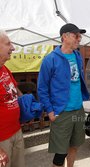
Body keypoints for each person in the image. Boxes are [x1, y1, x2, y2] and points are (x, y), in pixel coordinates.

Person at [37, 23, 90, 167]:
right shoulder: (50, 59)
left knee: (75, 146)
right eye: (76, 36)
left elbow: (77, 80)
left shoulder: (77, 56)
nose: (79, 39)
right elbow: (42, 88)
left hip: (78, 109)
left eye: (80, 36)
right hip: (61, 112)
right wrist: (50, 111)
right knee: (60, 154)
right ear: (64, 37)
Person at [0, 30, 25, 167]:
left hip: (16, 130)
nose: (13, 48)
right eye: (8, 44)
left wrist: (26, 104)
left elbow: (14, 89)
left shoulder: (4, 69)